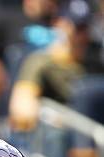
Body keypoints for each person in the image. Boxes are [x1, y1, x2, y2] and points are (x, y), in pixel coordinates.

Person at [9, 0, 104, 131]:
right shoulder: (41, 61)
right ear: (60, 25)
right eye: (78, 28)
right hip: (64, 136)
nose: (83, 35)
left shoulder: (97, 58)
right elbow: (22, 107)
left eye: (86, 27)